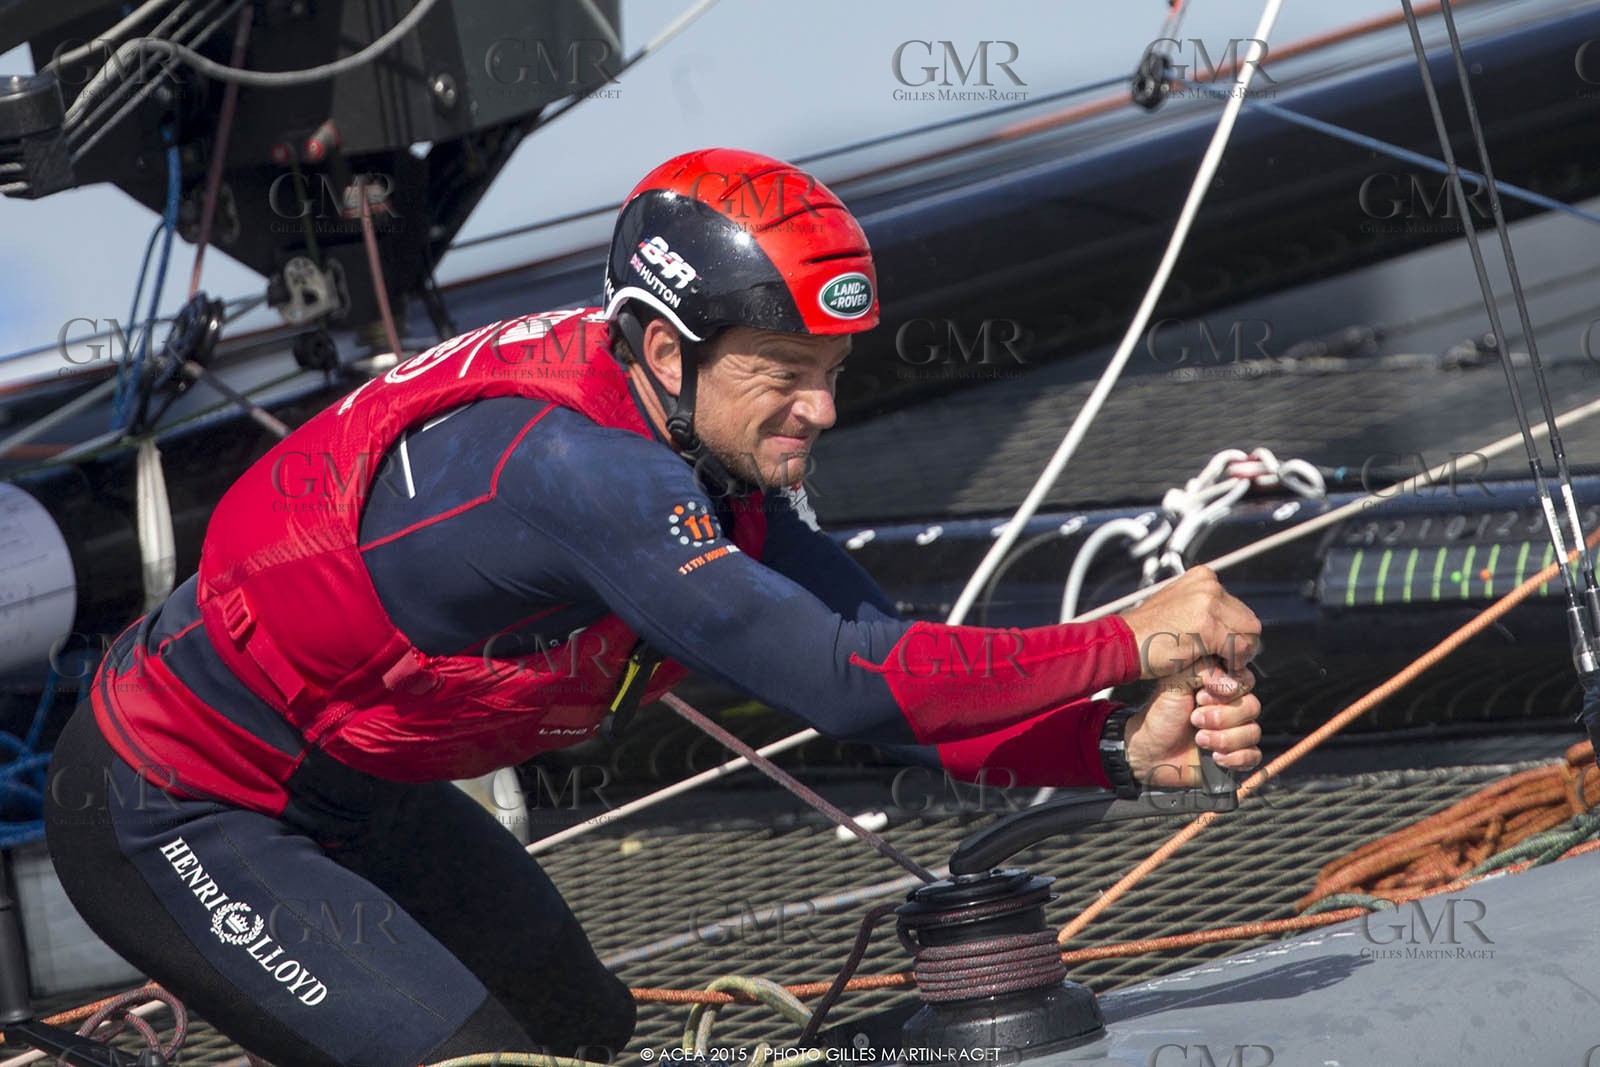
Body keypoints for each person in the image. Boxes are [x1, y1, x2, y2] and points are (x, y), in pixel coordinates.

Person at [43, 147, 1262, 1067]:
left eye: (831, 376)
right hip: (178, 806)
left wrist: (1100, 737)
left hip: (357, 792)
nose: (820, 414)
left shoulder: (698, 451)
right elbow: (839, 678)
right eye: (782, 376)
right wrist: (1123, 633)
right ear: (664, 350)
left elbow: (886, 674)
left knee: (583, 1025)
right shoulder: (577, 470)